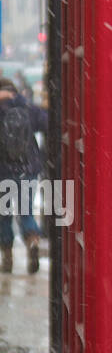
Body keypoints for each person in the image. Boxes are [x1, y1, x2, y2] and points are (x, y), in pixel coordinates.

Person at [0, 76, 46, 274]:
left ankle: (7, 257)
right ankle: (33, 241)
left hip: (3, 171)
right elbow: (47, 124)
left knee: (4, 215)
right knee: (26, 211)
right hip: (28, 169)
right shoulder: (26, 105)